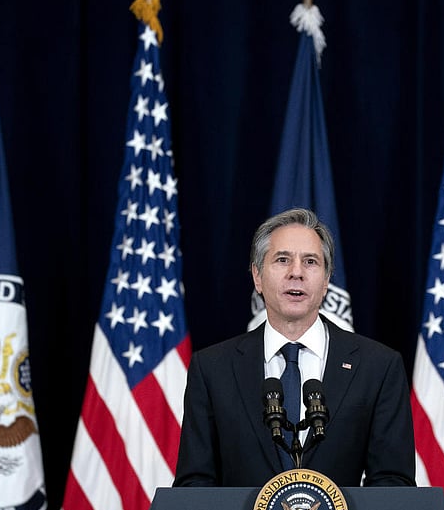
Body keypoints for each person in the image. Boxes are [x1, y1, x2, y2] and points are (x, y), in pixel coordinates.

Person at [173, 208, 415, 489]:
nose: (296, 273)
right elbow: (194, 483)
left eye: (310, 262)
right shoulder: (212, 369)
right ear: (257, 277)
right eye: (282, 259)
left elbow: (393, 483)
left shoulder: (378, 367)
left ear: (326, 281)